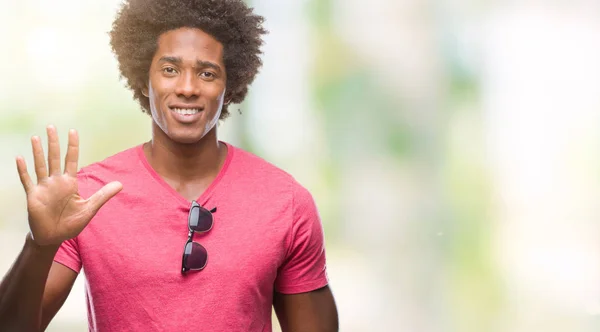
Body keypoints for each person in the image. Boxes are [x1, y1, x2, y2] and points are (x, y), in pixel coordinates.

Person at [0, 0, 339, 330]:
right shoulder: (89, 199)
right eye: (169, 70)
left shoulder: (286, 202)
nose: (188, 88)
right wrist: (38, 245)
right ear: (144, 78)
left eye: (207, 73)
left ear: (229, 84)